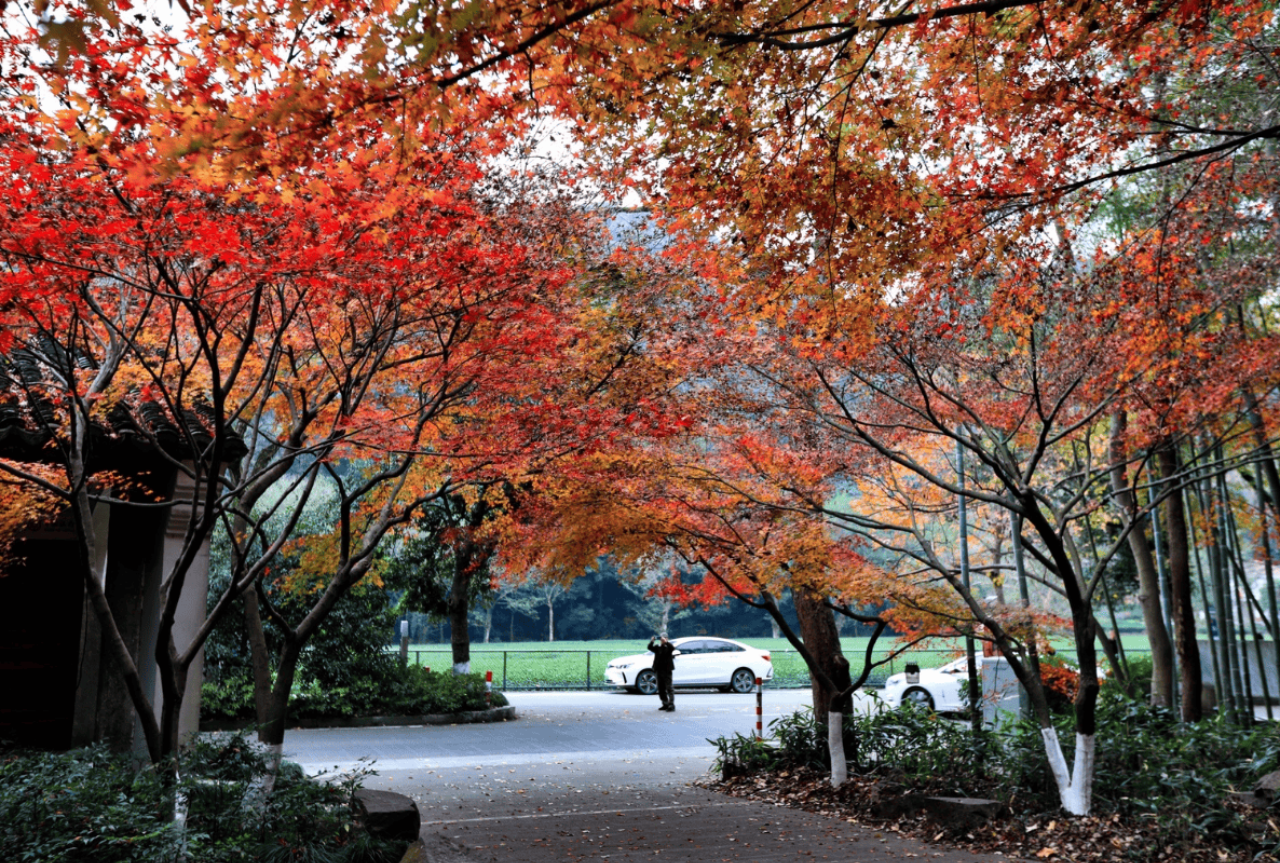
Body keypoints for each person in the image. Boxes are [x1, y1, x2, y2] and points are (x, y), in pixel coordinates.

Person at [647, 635, 678, 712]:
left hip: (667, 670)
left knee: (669, 688)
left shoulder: (668, 647)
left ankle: (671, 705)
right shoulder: (658, 647)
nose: (662, 640)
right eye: (661, 639)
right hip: (658, 670)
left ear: (667, 639)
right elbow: (650, 648)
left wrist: (666, 642)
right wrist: (652, 641)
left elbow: (673, 648)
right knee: (661, 688)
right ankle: (665, 704)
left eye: (664, 638)